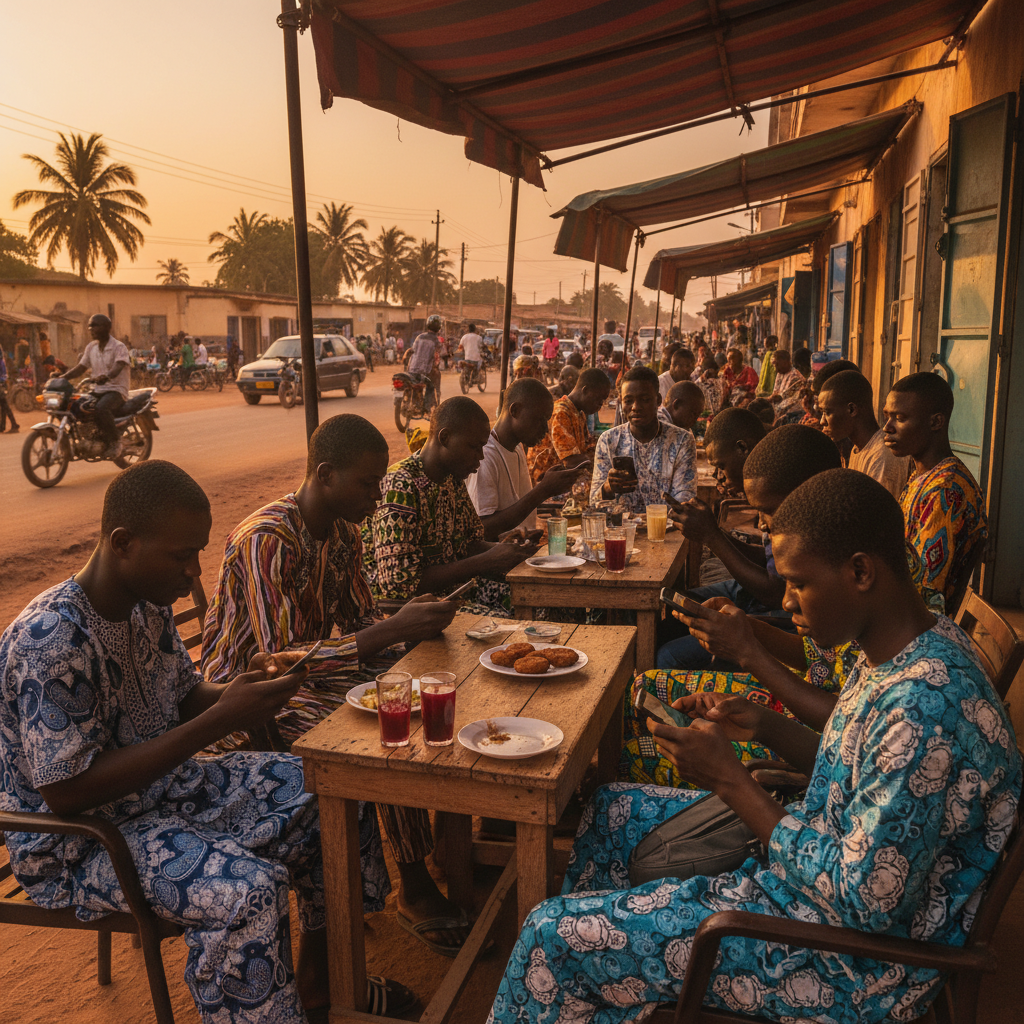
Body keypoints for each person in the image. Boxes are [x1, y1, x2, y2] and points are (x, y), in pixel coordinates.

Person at [489, 468, 1021, 1024]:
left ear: (861, 571)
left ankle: (590, 963)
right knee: (609, 809)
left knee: (548, 937)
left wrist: (732, 781)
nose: (785, 600)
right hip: (810, 875)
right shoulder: (909, 642)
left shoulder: (926, 709)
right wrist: (764, 724)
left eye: (798, 582)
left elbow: (865, 904)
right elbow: (865, 768)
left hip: (846, 964)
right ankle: (610, 982)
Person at [0, 460, 413, 1023]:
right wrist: (217, 723)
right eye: (181, 555)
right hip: (85, 842)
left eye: (197, 552)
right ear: (122, 543)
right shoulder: (52, 639)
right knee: (250, 891)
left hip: (162, 795)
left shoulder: (146, 605)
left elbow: (184, 695)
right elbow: (69, 792)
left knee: (333, 782)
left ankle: (322, 980)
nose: (194, 572)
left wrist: (239, 694)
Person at [201, 415, 472, 958]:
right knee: (383, 726)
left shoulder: (345, 532)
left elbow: (360, 618)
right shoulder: (268, 539)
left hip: (317, 678)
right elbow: (280, 663)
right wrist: (391, 632)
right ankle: (411, 886)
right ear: (325, 474)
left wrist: (409, 630)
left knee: (414, 698)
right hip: (244, 699)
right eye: (367, 484)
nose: (377, 496)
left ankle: (438, 854)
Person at [661, 423, 841, 669]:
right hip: (763, 605)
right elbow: (767, 563)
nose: (761, 524)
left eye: (721, 466)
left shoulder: (821, 543)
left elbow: (776, 594)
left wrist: (712, 537)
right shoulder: (780, 498)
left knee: (670, 655)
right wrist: (714, 534)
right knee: (675, 609)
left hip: (774, 611)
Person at [367, 397, 537, 616]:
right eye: (474, 448)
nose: (480, 457)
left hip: (455, 592)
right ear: (445, 438)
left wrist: (509, 550)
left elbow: (468, 544)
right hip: (409, 613)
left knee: (542, 604)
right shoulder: (400, 486)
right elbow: (401, 586)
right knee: (511, 623)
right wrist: (486, 561)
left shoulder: (451, 478)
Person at [883, 372, 988, 613]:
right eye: (887, 416)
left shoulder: (945, 490)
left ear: (936, 422)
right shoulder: (923, 475)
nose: (887, 428)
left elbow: (923, 590)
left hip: (915, 625)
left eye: (899, 418)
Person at [467, 378, 584, 540]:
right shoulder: (485, 457)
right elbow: (483, 530)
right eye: (540, 420)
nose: (545, 430)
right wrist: (543, 490)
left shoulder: (516, 447)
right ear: (515, 411)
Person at [591, 365, 696, 514]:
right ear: (621, 403)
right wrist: (608, 488)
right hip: (620, 532)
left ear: (658, 400)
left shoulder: (681, 440)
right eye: (628, 401)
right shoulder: (608, 441)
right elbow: (593, 503)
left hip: (666, 532)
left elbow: (685, 498)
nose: (636, 407)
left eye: (645, 399)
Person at [818, 369, 910, 498]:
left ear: (851, 410)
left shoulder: (882, 456)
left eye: (827, 412)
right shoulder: (858, 449)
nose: (822, 421)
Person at [57, 314, 130, 458]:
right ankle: (90, 435)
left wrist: (107, 376)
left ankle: (116, 442)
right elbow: (81, 367)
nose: (91, 330)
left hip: (116, 390)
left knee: (101, 408)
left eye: (95, 326)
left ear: (107, 328)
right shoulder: (91, 347)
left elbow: (119, 365)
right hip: (97, 390)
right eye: (90, 327)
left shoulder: (118, 347)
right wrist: (63, 377)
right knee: (74, 405)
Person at [528, 367, 610, 482]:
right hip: (544, 481)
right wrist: (604, 465)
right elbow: (571, 461)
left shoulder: (579, 413)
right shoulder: (561, 413)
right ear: (585, 390)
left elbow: (588, 448)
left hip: (561, 476)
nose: (601, 404)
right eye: (599, 399)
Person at [408, 314, 442, 407]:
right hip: (425, 371)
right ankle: (427, 406)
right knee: (431, 386)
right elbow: (437, 358)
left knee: (414, 383)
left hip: (412, 369)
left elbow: (412, 350)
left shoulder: (419, 337)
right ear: (439, 327)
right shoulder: (436, 341)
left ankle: (415, 404)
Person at [0, 346, 19, 434]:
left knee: (5, 406)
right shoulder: (1, 361)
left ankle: (14, 425)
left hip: (1, 385)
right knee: (4, 406)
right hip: (2, 384)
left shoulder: (1, 362)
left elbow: (4, 375)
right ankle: (3, 426)